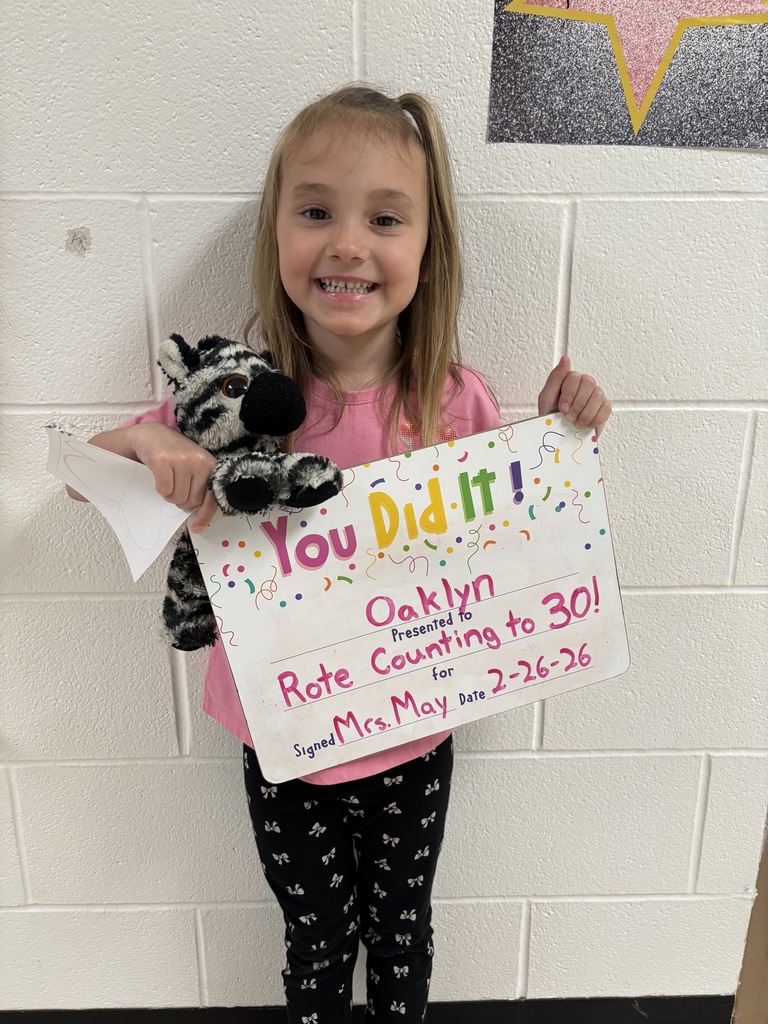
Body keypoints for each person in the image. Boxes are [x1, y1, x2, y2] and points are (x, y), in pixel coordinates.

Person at [69, 85, 611, 1022]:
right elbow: (83, 473)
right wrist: (155, 448)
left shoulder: (455, 404)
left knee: (401, 931)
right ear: (276, 233)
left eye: (385, 218)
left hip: (414, 736)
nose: (348, 244)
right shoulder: (232, 401)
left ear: (426, 245)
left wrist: (567, 432)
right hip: (287, 744)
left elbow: (512, 543)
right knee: (315, 940)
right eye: (316, 211)